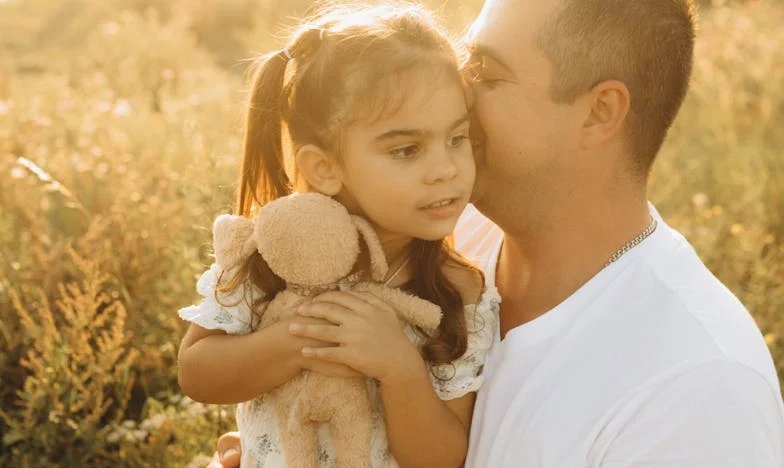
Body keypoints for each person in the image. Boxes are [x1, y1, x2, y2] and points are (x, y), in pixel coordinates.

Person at [212, 0, 784, 466]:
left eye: (485, 71)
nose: (454, 88)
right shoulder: (432, 235)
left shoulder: (699, 387)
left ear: (598, 112)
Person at [177, 3, 498, 468]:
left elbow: (442, 460)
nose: (446, 169)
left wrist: (401, 370)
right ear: (325, 168)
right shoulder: (275, 255)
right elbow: (197, 374)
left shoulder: (456, 292)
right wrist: (299, 341)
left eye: (456, 138)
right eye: (407, 150)